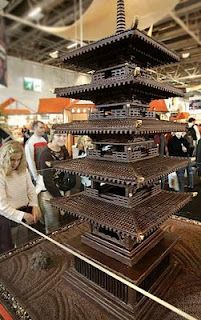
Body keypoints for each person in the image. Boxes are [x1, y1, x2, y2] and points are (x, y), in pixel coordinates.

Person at [0, 141, 40, 253]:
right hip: (7, 217)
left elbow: (31, 190)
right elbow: (2, 207)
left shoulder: (24, 170)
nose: (16, 163)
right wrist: (23, 215)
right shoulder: (1, 174)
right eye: (12, 159)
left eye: (19, 159)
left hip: (24, 211)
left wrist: (35, 205)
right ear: (5, 158)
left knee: (25, 245)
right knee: (9, 250)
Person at [38, 131, 76, 233]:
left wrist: (67, 191)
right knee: (52, 225)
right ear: (52, 136)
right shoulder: (45, 154)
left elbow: (68, 170)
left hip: (61, 189)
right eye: (59, 135)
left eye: (64, 136)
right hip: (48, 192)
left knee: (62, 222)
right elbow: (48, 181)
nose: (62, 138)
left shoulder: (63, 149)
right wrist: (61, 200)